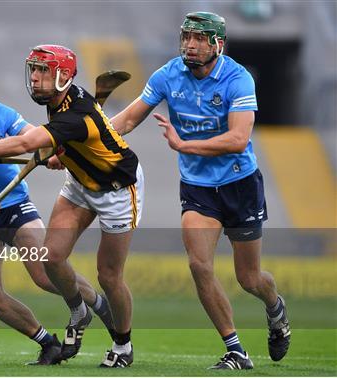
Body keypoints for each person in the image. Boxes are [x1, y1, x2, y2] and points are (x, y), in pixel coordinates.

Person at [0, 45, 144, 368]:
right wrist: (60, 153)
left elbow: (26, 142)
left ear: (64, 76)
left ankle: (123, 345)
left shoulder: (76, 114)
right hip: (80, 183)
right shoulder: (58, 101)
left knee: (108, 275)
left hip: (117, 190)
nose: (34, 79)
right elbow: (54, 142)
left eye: (43, 72)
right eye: (33, 70)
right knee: (50, 257)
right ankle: (79, 309)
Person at [110, 12, 291, 370]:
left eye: (199, 39)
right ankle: (235, 349)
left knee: (250, 279)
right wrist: (86, 138)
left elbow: (239, 140)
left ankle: (275, 308)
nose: (189, 46)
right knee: (198, 264)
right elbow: (128, 119)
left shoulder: (238, 79)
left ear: (217, 44)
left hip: (240, 185)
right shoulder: (168, 74)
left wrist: (185, 145)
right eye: (186, 37)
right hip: (198, 189)